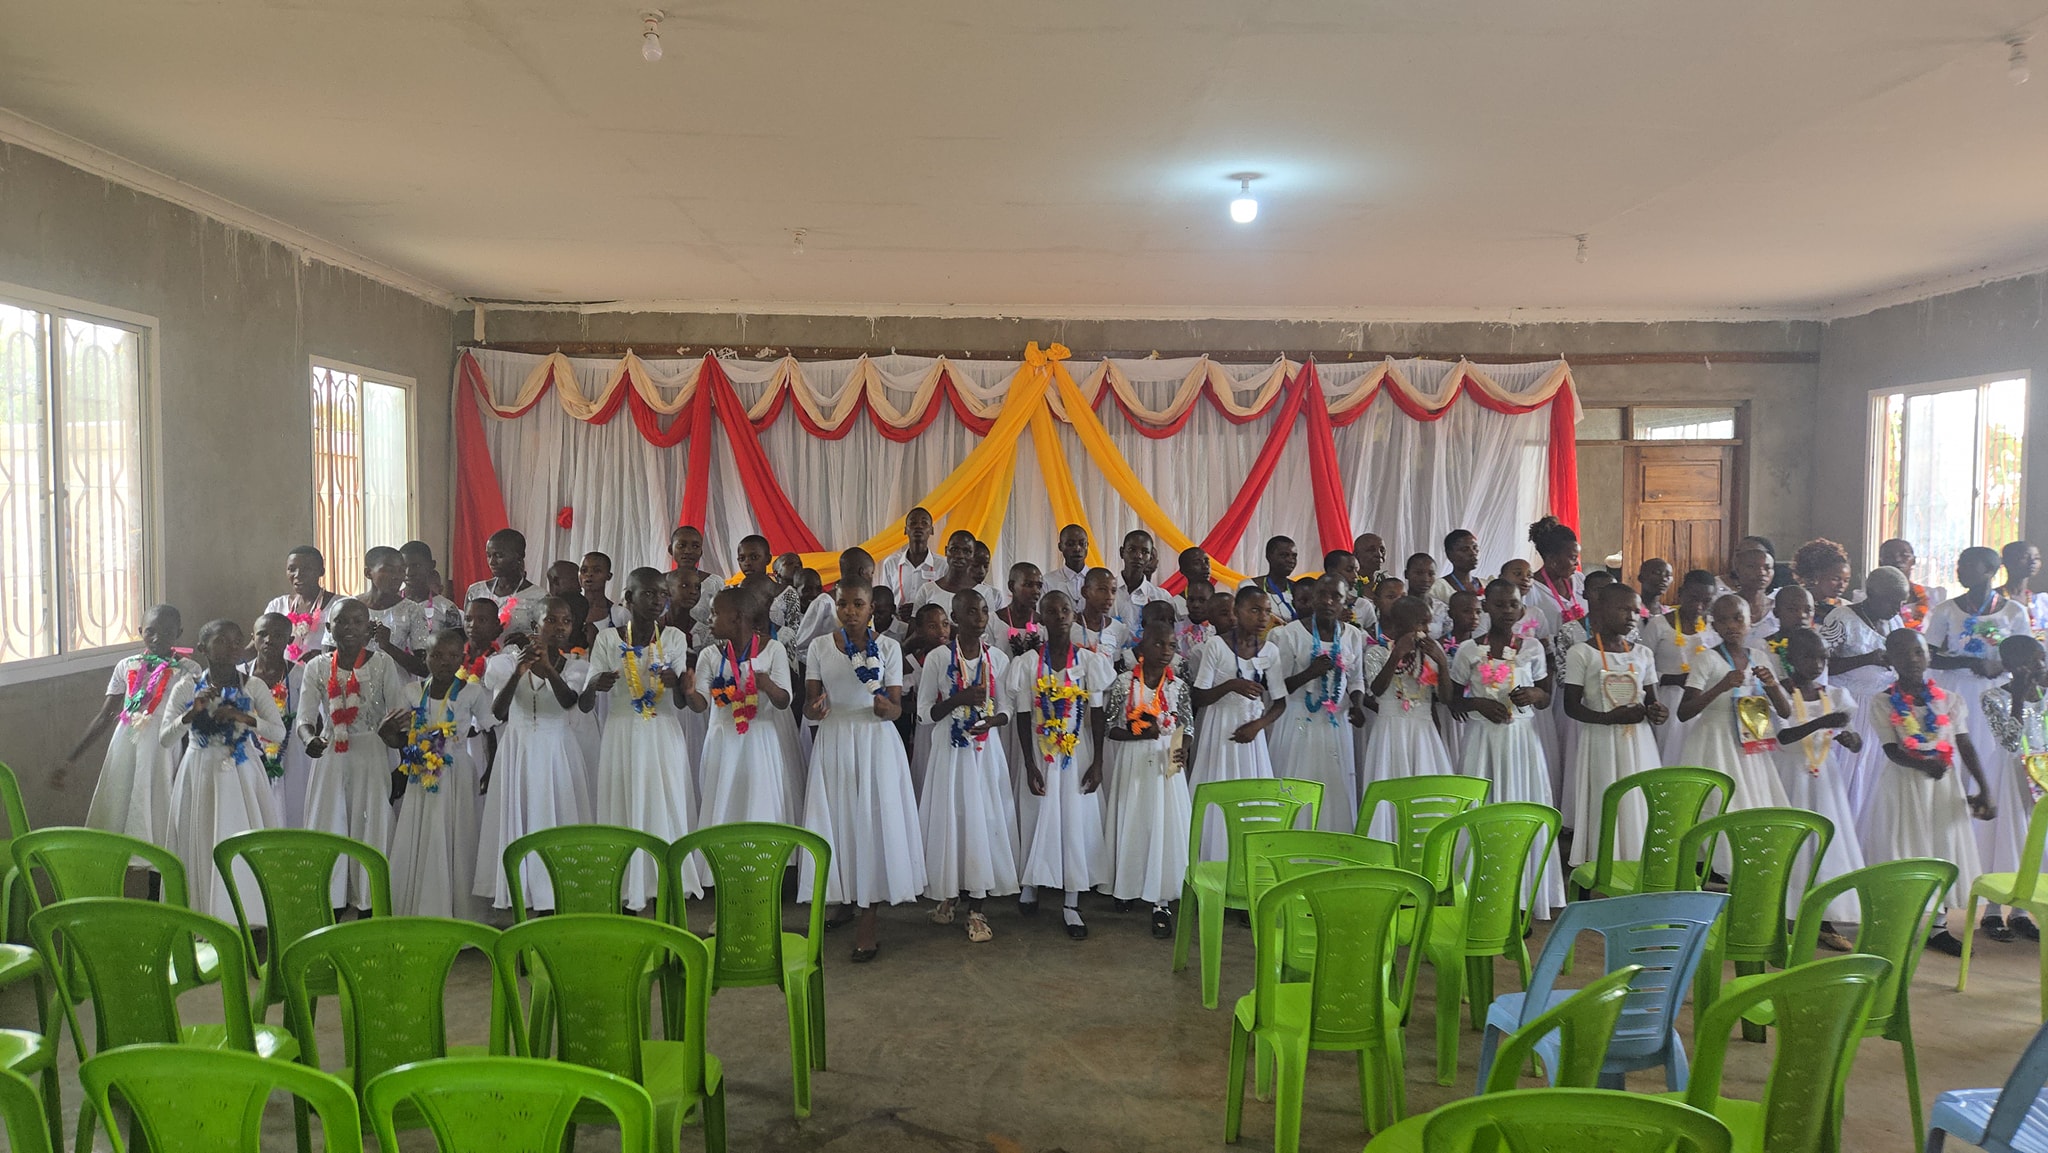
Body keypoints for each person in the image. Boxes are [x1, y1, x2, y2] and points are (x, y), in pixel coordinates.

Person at [803, 578, 925, 962]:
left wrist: (887, 709)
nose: (850, 611)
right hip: (835, 740)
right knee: (840, 822)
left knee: (870, 825)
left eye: (858, 604)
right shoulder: (820, 647)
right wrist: (815, 709)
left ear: (871, 608)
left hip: (875, 743)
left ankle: (868, 919)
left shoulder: (888, 647)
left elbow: (896, 708)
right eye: (843, 604)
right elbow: (809, 705)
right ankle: (843, 898)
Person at [1859, 628, 1995, 955]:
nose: (1912, 659)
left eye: (1918, 652)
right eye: (1902, 653)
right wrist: (1923, 764)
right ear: (1889, 659)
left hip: (1943, 788)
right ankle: (1897, 923)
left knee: (1942, 848)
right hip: (1903, 787)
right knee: (1903, 850)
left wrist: (1984, 788)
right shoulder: (1882, 701)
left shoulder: (1949, 700)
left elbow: (1965, 745)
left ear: (1929, 656)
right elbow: (1891, 750)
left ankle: (1938, 927)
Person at [583, 568, 702, 911]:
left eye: (662, 594)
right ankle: (626, 890)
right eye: (648, 593)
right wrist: (595, 685)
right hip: (621, 734)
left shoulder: (674, 638)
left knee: (665, 804)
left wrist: (678, 684)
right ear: (628, 598)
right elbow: (585, 703)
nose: (657, 600)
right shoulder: (607, 639)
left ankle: (665, 886)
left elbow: (682, 703)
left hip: (663, 732)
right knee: (624, 807)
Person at [1005, 589, 1117, 937]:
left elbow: (1096, 714)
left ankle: (1071, 899)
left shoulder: (1089, 662)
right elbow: (1024, 716)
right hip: (1041, 753)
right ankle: (1031, 883)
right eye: (1052, 611)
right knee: (1037, 815)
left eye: (1066, 610)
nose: (1060, 616)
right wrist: (1029, 764)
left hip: (1076, 752)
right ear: (1041, 619)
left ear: (1074, 613)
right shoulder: (1027, 663)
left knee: (1074, 820)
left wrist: (1098, 762)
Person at [161, 618, 285, 921]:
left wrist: (244, 718)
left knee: (242, 838)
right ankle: (204, 913)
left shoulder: (253, 686)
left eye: (236, 641)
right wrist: (192, 713)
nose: (231, 647)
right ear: (202, 648)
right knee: (203, 840)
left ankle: (249, 914)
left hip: (243, 773)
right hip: (200, 771)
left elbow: (278, 733)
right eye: (221, 641)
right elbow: (165, 739)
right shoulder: (186, 687)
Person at [474, 596, 593, 912]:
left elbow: (568, 701)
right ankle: (522, 891)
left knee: (556, 817)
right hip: (519, 750)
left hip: (557, 751)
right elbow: (498, 712)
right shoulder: (505, 664)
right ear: (534, 625)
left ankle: (556, 892)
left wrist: (548, 669)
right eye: (550, 620)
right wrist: (519, 672)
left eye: (566, 621)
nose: (559, 627)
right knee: (522, 816)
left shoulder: (577, 665)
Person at [1452, 579, 1563, 918]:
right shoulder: (1469, 650)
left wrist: (1534, 694)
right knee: (1482, 809)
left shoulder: (1532, 647)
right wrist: (1478, 704)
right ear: (1486, 607)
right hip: (1482, 740)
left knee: (1520, 806)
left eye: (1513, 604)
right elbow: (1452, 700)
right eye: (1499, 605)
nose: (1506, 611)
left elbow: (1545, 697)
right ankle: (1476, 890)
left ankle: (1523, 894)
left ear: (1522, 608)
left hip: (1521, 742)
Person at [1927, 546, 2035, 887]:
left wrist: (2000, 666)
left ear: (1990, 571)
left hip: (1998, 695)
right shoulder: (1946, 610)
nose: (1959, 571)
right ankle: (1955, 853)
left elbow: (2026, 655)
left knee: (1994, 764)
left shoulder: (2014, 611)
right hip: (1956, 690)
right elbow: (1929, 656)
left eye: (1967, 565)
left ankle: (1993, 852)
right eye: (1959, 565)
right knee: (1957, 764)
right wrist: (1970, 662)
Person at [917, 589, 1018, 944]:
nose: (980, 617)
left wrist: (993, 721)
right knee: (953, 819)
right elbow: (924, 712)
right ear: (956, 618)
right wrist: (957, 699)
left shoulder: (998, 659)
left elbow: (1006, 708)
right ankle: (950, 894)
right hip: (950, 751)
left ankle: (977, 907)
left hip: (984, 753)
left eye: (984, 611)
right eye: (971, 611)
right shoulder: (937, 658)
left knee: (983, 818)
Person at [299, 598, 410, 911]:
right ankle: (330, 903)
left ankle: (369, 903)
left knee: (370, 827)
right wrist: (309, 738)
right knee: (330, 825)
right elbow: (305, 718)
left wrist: (394, 735)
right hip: (331, 755)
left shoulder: (383, 664)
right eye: (341, 621)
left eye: (357, 622)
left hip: (371, 756)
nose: (349, 628)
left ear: (368, 629)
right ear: (329, 627)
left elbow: (399, 713)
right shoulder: (317, 667)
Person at [58, 604, 200, 848]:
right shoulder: (127, 665)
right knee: (119, 806)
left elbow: (191, 720)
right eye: (150, 631)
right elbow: (105, 716)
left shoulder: (189, 670)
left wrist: (188, 765)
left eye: (167, 632)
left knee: (159, 810)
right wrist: (71, 759)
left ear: (179, 633)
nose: (157, 638)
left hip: (164, 750)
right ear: (140, 630)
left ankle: (158, 869)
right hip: (126, 748)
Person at [377, 629, 494, 918]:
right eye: (437, 655)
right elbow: (400, 738)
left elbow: (489, 730)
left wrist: (490, 769)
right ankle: (423, 906)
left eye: (453, 656)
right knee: (424, 830)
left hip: (457, 772)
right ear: (425, 658)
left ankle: (460, 910)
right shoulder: (412, 692)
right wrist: (388, 734)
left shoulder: (472, 692)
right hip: (421, 771)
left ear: (462, 659)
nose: (445, 662)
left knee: (457, 834)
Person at [1771, 628, 1867, 951]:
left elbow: (1855, 741)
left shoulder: (1835, 695)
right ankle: (1778, 914)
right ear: (1790, 658)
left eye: (1823, 658)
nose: (1817, 664)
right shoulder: (1779, 692)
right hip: (1789, 774)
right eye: (1809, 657)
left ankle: (1823, 919)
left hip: (1824, 778)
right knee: (1790, 843)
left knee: (1823, 845)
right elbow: (1783, 737)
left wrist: (1851, 740)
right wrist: (1821, 723)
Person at [1099, 622, 1195, 937]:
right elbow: (1110, 727)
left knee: (1162, 825)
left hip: (1166, 765)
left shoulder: (1178, 686)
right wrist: (1138, 733)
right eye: (1159, 644)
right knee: (1133, 821)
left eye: (1171, 646)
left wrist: (1182, 749)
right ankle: (1126, 885)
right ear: (1142, 647)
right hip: (1133, 761)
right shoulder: (1125, 682)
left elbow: (1187, 727)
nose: (1166, 651)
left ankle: (1161, 900)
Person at [1561, 584, 1668, 861]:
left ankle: (1636, 856)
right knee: (1604, 793)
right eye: (1623, 609)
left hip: (1638, 740)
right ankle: (1602, 859)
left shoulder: (1643, 654)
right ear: (1601, 609)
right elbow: (1571, 706)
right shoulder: (1581, 653)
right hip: (1601, 739)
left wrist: (1657, 712)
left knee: (1637, 797)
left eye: (1635, 610)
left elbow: (1652, 701)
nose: (1631, 616)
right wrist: (1608, 718)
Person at [1676, 596, 1792, 825]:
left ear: (1750, 621)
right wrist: (1721, 687)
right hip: (1714, 741)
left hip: (1751, 741)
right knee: (1721, 802)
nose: (1731, 626)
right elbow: (1684, 712)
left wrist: (1771, 685)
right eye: (1723, 620)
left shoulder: (1759, 658)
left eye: (1738, 619)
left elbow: (1785, 712)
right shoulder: (1707, 659)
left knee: (1751, 797)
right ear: (1714, 625)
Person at [1189, 587, 1286, 858]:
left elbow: (1280, 702)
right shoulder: (1215, 646)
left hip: (1251, 733)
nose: (1263, 618)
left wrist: (1259, 725)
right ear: (1237, 612)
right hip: (1219, 729)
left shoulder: (1271, 651)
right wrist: (1231, 685)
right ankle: (1211, 856)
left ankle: (1247, 858)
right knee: (1218, 788)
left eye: (1267, 611)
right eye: (1255, 610)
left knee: (1250, 795)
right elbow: (1199, 696)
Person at [690, 587, 797, 830]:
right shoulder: (709, 655)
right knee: (723, 805)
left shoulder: (774, 649)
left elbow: (784, 701)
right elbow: (700, 704)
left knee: (760, 804)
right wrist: (688, 692)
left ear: (736, 617)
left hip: (761, 740)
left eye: (715, 613)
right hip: (722, 740)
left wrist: (768, 685)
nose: (709, 619)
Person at [1270, 575, 1369, 832]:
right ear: (1313, 598)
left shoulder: (1353, 635)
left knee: (1334, 784)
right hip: (1298, 720)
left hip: (1335, 723)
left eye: (1336, 596)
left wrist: (1357, 704)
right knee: (1298, 779)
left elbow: (1356, 679)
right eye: (1322, 595)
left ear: (1345, 601)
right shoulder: (1290, 634)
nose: (1328, 601)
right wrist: (1309, 673)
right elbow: (1278, 686)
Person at [1357, 596, 1455, 835]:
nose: (1426, 630)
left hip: (1423, 732)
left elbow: (1445, 698)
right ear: (1399, 624)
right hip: (1390, 731)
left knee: (1426, 790)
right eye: (1421, 623)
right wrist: (1396, 655)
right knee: (1390, 784)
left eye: (1428, 623)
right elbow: (1377, 689)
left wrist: (1442, 663)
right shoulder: (1377, 652)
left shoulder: (1430, 654)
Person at [1823, 565, 1910, 813]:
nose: (1897, 608)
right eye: (1892, 601)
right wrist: (1867, 659)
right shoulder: (1841, 618)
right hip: (1850, 708)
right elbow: (1819, 665)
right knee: (1848, 775)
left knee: (1874, 777)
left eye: (1901, 602)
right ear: (1872, 594)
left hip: (1882, 709)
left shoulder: (1895, 621)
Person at [1978, 634, 2048, 942]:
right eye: (2033, 661)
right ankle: (1993, 911)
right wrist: (2018, 698)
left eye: (2042, 659)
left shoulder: (2045, 695)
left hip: (2040, 774)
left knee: (2035, 841)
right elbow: (2008, 741)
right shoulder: (1992, 697)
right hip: (2009, 774)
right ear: (2011, 665)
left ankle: (2020, 912)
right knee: (2007, 839)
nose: (2040, 665)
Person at [1641, 569, 1718, 765]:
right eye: (1693, 598)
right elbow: (1641, 667)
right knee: (1670, 753)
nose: (1699, 606)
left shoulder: (1714, 627)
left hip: (1703, 700)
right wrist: (1673, 679)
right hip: (1668, 701)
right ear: (1681, 593)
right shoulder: (1658, 625)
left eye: (1706, 601)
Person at [242, 612, 304, 822]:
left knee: (292, 811)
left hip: (292, 755)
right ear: (253, 637)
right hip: (250, 754)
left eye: (278, 635)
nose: (269, 640)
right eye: (262, 634)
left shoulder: (300, 675)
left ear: (290, 640)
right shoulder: (239, 675)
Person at [360, 545, 430, 678]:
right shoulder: (349, 607)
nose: (397, 576)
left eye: (401, 570)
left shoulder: (412, 610)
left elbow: (424, 668)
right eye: (389, 570)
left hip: (397, 686)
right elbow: (331, 656)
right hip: (356, 685)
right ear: (368, 573)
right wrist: (360, 641)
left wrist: (388, 646)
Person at [265, 545, 341, 662]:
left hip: (324, 671)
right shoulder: (277, 606)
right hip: (285, 673)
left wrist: (324, 655)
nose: (298, 574)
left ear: (321, 571)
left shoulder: (339, 605)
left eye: (307, 569)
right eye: (292, 569)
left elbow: (355, 648)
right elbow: (260, 641)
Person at [466, 528, 544, 640]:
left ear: (518, 557)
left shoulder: (539, 597)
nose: (492, 562)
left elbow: (544, 638)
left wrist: (526, 639)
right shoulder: (476, 591)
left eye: (499, 556)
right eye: (489, 555)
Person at [880, 507, 943, 626]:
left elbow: (944, 601)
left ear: (931, 530)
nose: (918, 526)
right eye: (913, 523)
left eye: (924, 523)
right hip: (897, 627)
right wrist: (897, 611)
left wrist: (918, 610)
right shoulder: (891, 563)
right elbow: (885, 601)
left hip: (929, 628)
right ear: (905, 530)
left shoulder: (942, 565)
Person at [1878, 537, 1944, 631]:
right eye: (1889, 556)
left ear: (1914, 561)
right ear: (1880, 562)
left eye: (1904, 555)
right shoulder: (1870, 598)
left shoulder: (1934, 596)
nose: (1897, 559)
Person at [400, 540, 462, 638]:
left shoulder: (447, 608)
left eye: (416, 566)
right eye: (404, 566)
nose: (409, 572)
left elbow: (456, 644)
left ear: (432, 565)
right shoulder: (389, 604)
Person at [1112, 530, 1174, 627]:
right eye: (1132, 549)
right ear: (1122, 552)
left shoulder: (1161, 597)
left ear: (1150, 558)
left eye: (1145, 552)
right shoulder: (1105, 591)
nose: (1138, 556)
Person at [989, 562, 1048, 658]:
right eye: (1028, 585)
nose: (1036, 591)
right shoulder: (992, 621)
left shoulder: (1043, 623)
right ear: (1011, 586)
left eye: (1039, 586)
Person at [916, 529, 982, 611]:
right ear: (946, 551)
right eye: (954, 549)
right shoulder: (927, 590)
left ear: (974, 555)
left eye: (966, 551)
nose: (959, 555)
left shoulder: (983, 592)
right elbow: (916, 619)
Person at [1073, 568, 1131, 660]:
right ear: (1085, 592)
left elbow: (1116, 663)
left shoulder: (1118, 629)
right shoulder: (1070, 627)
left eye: (1113, 591)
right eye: (1102, 590)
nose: (1109, 597)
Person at [1792, 538, 1854, 620]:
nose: (1842, 585)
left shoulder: (1848, 610)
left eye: (1846, 580)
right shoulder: (1791, 605)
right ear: (1816, 576)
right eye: (1835, 579)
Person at [1245, 536, 1300, 624]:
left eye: (1294, 556)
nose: (1291, 560)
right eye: (1284, 555)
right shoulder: (1249, 586)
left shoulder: (1299, 589)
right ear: (1269, 556)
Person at [2002, 540, 2048, 639]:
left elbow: (2042, 636)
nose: (2033, 562)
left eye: (2037, 558)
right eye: (2024, 557)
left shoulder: (2041, 602)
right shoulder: (1995, 599)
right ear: (2007, 562)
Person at [581, 551, 629, 632]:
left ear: (609, 576)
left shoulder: (620, 614)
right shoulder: (568, 610)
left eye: (597, 570)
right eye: (584, 570)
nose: (589, 574)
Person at [1432, 529, 1484, 601]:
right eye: (1465, 550)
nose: (1473, 553)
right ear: (1449, 555)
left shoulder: (1486, 584)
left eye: (1475, 547)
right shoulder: (1439, 588)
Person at [1171, 547, 1213, 619]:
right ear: (1183, 570)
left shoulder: (1221, 601)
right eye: (1197, 563)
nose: (1205, 567)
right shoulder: (1175, 604)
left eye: (1207, 561)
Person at [1054, 523, 1092, 601]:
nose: (1077, 549)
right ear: (1060, 547)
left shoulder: (1099, 581)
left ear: (1087, 546)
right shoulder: (1048, 581)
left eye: (1082, 544)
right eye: (1070, 544)